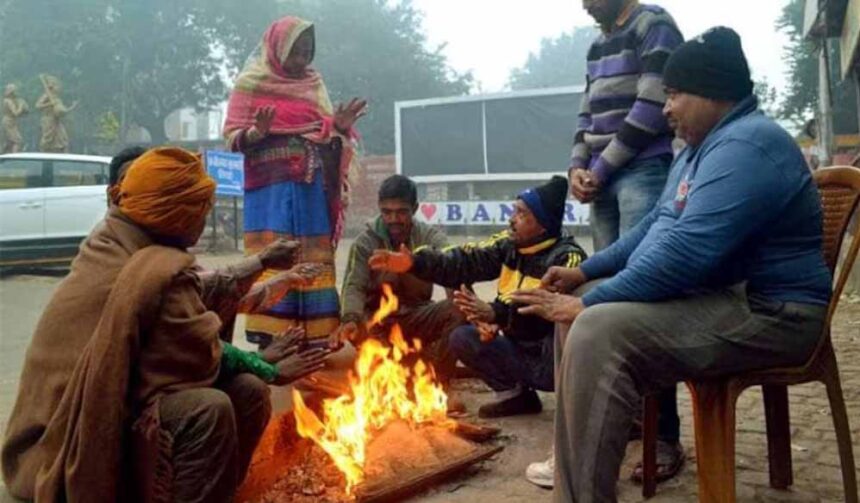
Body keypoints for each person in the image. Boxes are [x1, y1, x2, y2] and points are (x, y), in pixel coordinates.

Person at [511, 28, 832, 502]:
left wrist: (593, 302)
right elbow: (653, 230)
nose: (666, 108)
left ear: (713, 91)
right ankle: (576, 464)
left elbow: (685, 253)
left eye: (675, 94)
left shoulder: (748, 145)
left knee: (598, 327)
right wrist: (583, 275)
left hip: (775, 313)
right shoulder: (698, 154)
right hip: (729, 298)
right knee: (578, 304)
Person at [1, 147, 332, 502]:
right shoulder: (150, 266)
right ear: (180, 214)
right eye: (203, 210)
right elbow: (200, 355)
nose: (205, 221)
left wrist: (261, 266)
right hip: (60, 446)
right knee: (207, 410)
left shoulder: (118, 239)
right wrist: (267, 367)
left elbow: (199, 298)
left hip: (93, 419)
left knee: (247, 391)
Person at [558, 0, 687, 487]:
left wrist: (600, 167)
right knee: (608, 302)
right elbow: (586, 110)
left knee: (643, 297)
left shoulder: (653, 25)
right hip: (602, 179)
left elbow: (653, 105)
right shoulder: (596, 43)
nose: (583, 3)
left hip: (640, 173)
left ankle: (665, 436)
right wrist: (577, 166)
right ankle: (632, 419)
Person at [369, 176, 587, 418]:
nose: (511, 220)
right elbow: (464, 260)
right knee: (463, 338)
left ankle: (571, 407)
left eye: (522, 214)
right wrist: (414, 262)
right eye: (514, 211)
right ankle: (516, 397)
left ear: (543, 224)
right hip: (518, 349)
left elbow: (542, 316)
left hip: (552, 361)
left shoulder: (567, 260)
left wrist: (497, 314)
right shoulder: (508, 244)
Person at [224, 16, 368, 349]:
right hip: (269, 194)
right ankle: (270, 336)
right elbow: (231, 138)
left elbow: (325, 132)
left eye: (307, 51)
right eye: (296, 51)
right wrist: (256, 134)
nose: (302, 58)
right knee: (272, 258)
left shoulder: (314, 83)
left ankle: (316, 335)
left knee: (313, 257)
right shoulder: (250, 84)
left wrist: (340, 127)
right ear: (277, 49)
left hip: (309, 191)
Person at [336, 174, 465, 380]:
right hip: (375, 324)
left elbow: (453, 264)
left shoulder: (429, 237)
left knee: (461, 307)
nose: (393, 220)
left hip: (416, 318)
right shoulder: (364, 243)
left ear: (414, 208)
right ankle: (398, 366)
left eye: (401, 212)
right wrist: (350, 318)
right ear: (379, 208)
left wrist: (460, 297)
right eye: (387, 212)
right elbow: (353, 286)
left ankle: (438, 381)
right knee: (350, 317)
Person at [2, 84, 29, 154]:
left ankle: (4, 154)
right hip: (9, 122)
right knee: (17, 140)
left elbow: (22, 114)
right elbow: (15, 113)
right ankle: (14, 157)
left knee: (9, 141)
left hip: (11, 122)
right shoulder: (8, 101)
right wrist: (21, 105)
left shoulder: (11, 101)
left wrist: (24, 109)